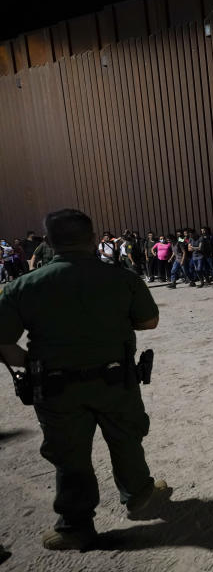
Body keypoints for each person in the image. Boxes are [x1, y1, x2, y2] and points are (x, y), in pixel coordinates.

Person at [0, 209, 169, 550]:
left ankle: (76, 526)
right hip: (115, 380)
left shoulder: (23, 286)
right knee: (126, 437)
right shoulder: (122, 278)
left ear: (48, 243)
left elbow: (2, 341)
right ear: (93, 239)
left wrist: (31, 363)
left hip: (55, 387)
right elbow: (149, 321)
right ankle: (137, 494)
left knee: (69, 455)